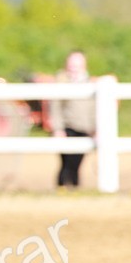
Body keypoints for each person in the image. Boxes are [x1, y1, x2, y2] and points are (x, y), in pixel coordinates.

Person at [48, 50, 95, 189]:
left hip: (85, 128)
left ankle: (74, 188)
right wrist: (58, 129)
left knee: (77, 163)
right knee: (66, 163)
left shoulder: (89, 83)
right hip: (68, 128)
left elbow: (93, 108)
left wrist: (95, 127)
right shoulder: (62, 82)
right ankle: (63, 188)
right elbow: (55, 107)